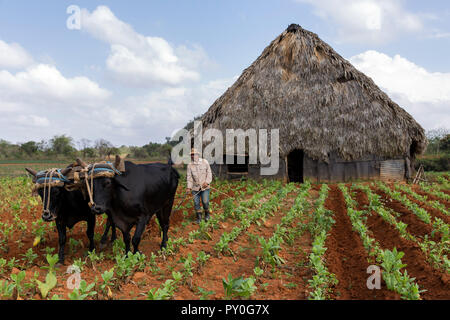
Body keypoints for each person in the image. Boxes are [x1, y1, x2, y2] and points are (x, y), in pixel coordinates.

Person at [186, 148, 212, 224]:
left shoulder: (205, 162)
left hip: (205, 187)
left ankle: (207, 214)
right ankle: (199, 218)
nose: (193, 156)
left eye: (194, 154)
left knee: (205, 201)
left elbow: (209, 173)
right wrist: (188, 187)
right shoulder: (190, 165)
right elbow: (189, 177)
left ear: (198, 155)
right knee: (196, 203)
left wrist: (207, 182)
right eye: (192, 155)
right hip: (195, 188)